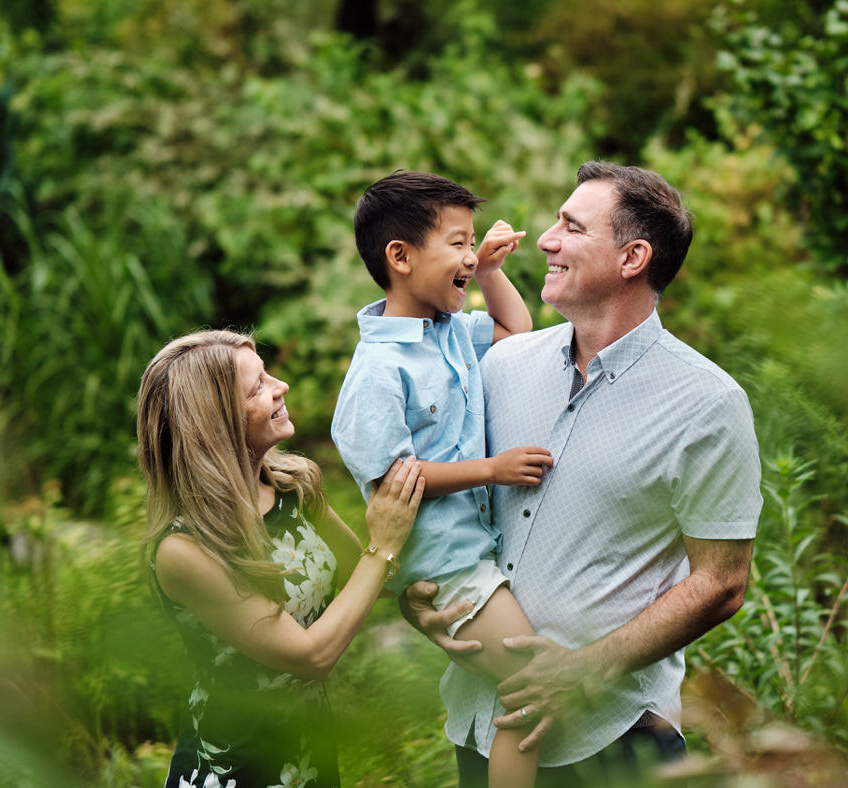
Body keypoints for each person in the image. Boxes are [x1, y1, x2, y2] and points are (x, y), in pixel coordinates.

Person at [403, 161, 763, 787]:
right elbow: (447, 501)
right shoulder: (503, 365)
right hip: (481, 725)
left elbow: (723, 582)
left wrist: (583, 669)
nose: (545, 240)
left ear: (633, 258)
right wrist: (417, 601)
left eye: (571, 227)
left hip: (615, 739)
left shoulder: (708, 402)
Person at [331, 171, 554, 787]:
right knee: (531, 682)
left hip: (479, 549)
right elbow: (395, 482)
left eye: (472, 241)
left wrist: (486, 273)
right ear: (399, 258)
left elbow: (516, 333)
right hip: (445, 565)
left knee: (524, 684)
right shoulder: (378, 368)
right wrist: (491, 469)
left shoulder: (452, 331)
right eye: (457, 244)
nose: (468, 253)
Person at [137, 329, 425, 788]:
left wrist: (428, 603)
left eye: (267, 374)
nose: (280, 387)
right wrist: (385, 543)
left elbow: (366, 575)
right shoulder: (184, 550)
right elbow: (310, 656)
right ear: (216, 422)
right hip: (237, 767)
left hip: (308, 749)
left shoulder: (293, 486)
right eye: (257, 387)